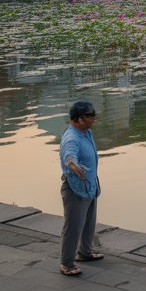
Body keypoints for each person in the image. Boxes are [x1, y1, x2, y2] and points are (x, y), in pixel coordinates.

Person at [59, 100, 103, 276]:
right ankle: (66, 263)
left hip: (90, 186)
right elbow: (69, 155)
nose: (94, 118)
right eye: (90, 116)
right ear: (79, 118)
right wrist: (73, 165)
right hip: (76, 189)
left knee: (89, 223)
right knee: (73, 227)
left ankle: (85, 252)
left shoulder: (86, 133)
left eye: (94, 115)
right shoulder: (72, 137)